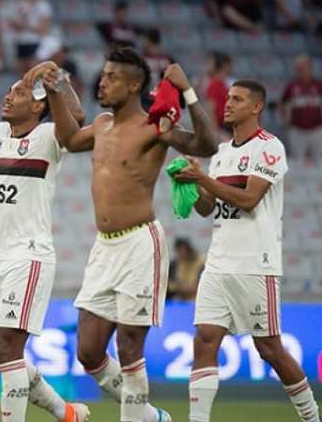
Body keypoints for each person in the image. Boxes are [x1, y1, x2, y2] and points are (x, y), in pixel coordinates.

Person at [49, 47, 219, 422]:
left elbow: (207, 145)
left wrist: (188, 92)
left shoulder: (155, 127)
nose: (103, 82)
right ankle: (149, 417)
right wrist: (55, 92)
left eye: (112, 77)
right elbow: (69, 140)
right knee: (89, 352)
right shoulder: (102, 125)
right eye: (104, 74)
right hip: (104, 247)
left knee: (129, 348)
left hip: (141, 243)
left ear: (134, 85)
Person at [173, 79, 320, 422]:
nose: (228, 104)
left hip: (255, 263)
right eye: (228, 98)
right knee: (205, 339)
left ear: (256, 107)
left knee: (268, 348)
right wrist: (191, 184)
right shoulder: (222, 154)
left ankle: (312, 416)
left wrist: (204, 180)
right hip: (219, 262)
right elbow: (208, 208)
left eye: (238, 99)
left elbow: (250, 200)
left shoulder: (270, 148)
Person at [0, 61, 90, 422]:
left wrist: (55, 78)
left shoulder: (50, 137)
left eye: (18, 92)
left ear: (37, 105)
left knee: (8, 347)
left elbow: (75, 118)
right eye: (10, 90)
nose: (9, 95)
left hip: (29, 256)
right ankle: (65, 413)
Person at [8, 0, 55, 74]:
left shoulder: (43, 5)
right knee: (22, 75)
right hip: (21, 42)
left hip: (35, 42)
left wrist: (24, 26)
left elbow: (44, 28)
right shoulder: (21, 4)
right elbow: (15, 22)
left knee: (33, 74)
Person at [279, 54, 321, 161]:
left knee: (319, 160)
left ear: (309, 67)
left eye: (303, 66)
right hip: (297, 129)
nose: (301, 70)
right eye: (299, 67)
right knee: (298, 161)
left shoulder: (318, 85)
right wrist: (284, 118)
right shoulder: (292, 86)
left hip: (317, 129)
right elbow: (281, 102)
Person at [201, 51, 233, 137]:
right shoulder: (214, 85)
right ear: (225, 65)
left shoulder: (223, 85)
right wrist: (215, 133)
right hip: (222, 129)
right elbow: (210, 109)